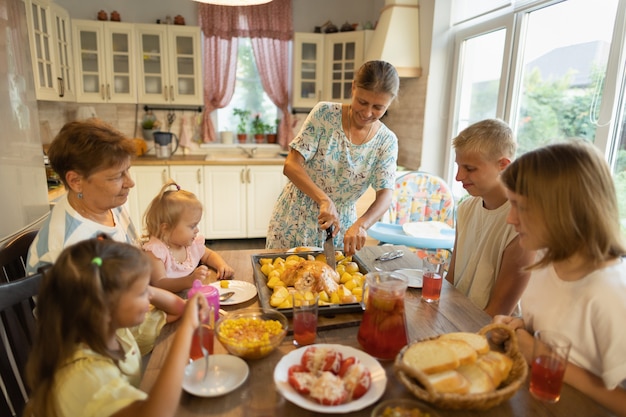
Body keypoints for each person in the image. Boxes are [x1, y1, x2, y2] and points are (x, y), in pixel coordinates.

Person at [26, 119, 185, 354]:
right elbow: (94, 335)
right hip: (96, 351)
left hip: (128, 316)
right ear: (76, 181)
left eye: (127, 170)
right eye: (117, 176)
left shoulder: (108, 204)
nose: (130, 183)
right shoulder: (72, 249)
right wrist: (175, 305)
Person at [493, 141, 626, 416]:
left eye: (521, 207)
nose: (510, 219)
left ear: (564, 211)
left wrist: (541, 355)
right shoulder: (544, 261)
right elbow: (557, 330)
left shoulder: (612, 292)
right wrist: (517, 328)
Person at [25, 237, 211, 417]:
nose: (150, 296)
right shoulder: (87, 377)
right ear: (104, 308)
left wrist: (139, 286)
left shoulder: (114, 329)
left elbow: (177, 307)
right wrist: (188, 327)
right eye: (141, 293)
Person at [266, 60, 400, 256]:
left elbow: (385, 195)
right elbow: (291, 164)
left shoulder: (387, 141)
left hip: (340, 227)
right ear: (353, 87)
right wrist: (324, 199)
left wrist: (362, 225)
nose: (367, 112)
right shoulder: (324, 114)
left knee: (331, 281)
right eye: (362, 102)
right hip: (295, 217)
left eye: (378, 107)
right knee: (283, 279)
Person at [445, 119, 535, 316]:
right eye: (458, 166)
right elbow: (451, 282)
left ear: (502, 165)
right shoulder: (466, 208)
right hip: (457, 317)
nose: (458, 177)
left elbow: (497, 313)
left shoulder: (521, 224)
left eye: (469, 168)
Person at [142, 180, 234, 293]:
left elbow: (208, 255)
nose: (197, 230)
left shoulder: (190, 243)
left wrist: (222, 265)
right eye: (192, 226)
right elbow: (159, 283)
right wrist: (189, 280)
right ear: (166, 228)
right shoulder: (156, 251)